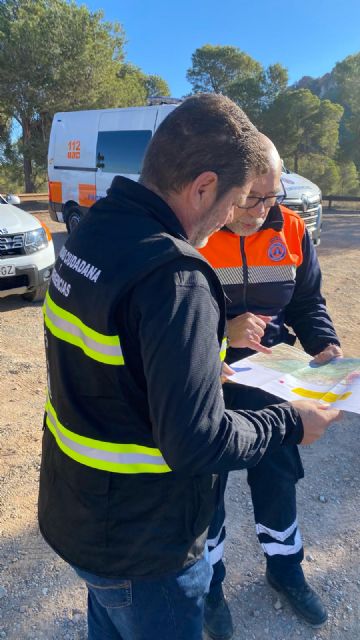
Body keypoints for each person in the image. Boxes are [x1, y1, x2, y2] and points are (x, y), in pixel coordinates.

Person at [38, 95, 340, 640]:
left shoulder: (95, 229)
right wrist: (292, 422)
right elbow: (198, 443)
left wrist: (193, 366)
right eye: (237, 200)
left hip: (83, 516)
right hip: (146, 543)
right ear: (202, 186)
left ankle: (285, 569)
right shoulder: (175, 273)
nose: (236, 215)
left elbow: (120, 359)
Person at [199, 135, 342, 639]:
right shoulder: (194, 232)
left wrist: (324, 343)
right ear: (224, 188)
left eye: (272, 197)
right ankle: (210, 587)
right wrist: (224, 331)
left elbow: (308, 302)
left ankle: (286, 570)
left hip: (273, 382)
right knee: (206, 492)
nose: (261, 211)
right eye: (250, 199)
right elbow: (166, 321)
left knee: (279, 481)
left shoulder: (294, 230)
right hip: (207, 383)